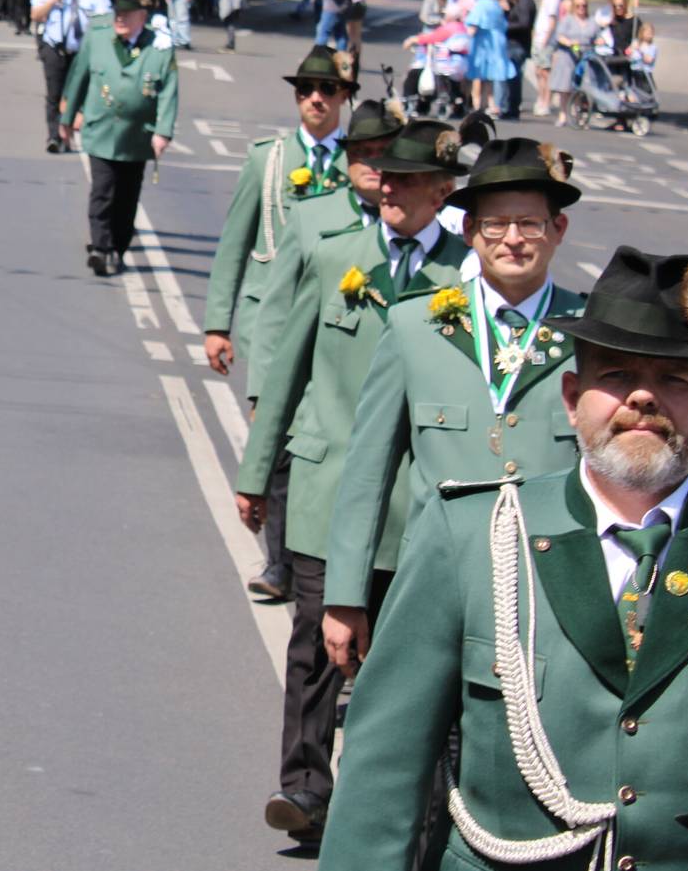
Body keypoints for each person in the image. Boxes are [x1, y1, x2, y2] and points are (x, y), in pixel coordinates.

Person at [319, 246, 688, 871]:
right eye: (617, 375)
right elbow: (385, 765)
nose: (643, 397)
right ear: (572, 397)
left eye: (674, 380)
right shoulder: (472, 534)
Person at [232, 117, 470, 846]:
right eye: (384, 177)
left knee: (405, 661)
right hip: (326, 487)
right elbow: (287, 370)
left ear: (442, 191)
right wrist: (255, 473)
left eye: (407, 181)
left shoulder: (466, 276)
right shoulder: (338, 255)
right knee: (315, 639)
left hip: (416, 507)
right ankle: (305, 788)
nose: (389, 189)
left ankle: (407, 812)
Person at [321, 137, 589, 668]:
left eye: (530, 224)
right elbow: (368, 470)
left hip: (552, 595)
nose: (513, 239)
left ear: (558, 229)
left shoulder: (590, 334)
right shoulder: (415, 326)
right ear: (469, 231)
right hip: (434, 589)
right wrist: (345, 596)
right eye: (495, 224)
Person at [202, 45, 356, 596]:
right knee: (276, 443)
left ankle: (317, 563)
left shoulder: (361, 166)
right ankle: (279, 564)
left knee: (324, 446)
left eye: (327, 90)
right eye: (305, 90)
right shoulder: (267, 160)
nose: (315, 99)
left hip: (336, 327)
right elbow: (235, 242)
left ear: (344, 97)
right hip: (272, 324)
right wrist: (217, 324)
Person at [58, 0, 178, 277]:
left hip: (136, 137)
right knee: (102, 190)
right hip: (101, 130)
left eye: (127, 14)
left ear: (142, 17)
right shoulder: (98, 38)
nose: (120, 19)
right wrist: (67, 118)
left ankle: (118, 247)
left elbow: (169, 91)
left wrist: (163, 132)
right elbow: (79, 76)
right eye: (117, 13)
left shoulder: (159, 46)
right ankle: (100, 248)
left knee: (127, 196)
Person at [31, 0, 110, 154]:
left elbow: (105, 22)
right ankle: (54, 137)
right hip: (54, 47)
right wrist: (52, 1)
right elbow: (35, 14)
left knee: (77, 94)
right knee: (54, 95)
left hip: (81, 53)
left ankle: (70, 131)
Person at [464, 0, 513, 116]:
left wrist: (464, 37)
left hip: (482, 42)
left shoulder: (481, 4)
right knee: (490, 75)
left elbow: (474, 23)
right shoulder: (496, 5)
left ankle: (477, 104)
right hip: (497, 41)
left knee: (478, 74)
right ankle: (491, 104)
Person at [550, 0, 590, 126]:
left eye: (584, 5)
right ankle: (563, 114)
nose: (581, 8)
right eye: (578, 5)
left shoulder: (591, 21)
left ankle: (577, 114)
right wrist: (569, 42)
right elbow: (559, 35)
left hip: (585, 57)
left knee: (581, 87)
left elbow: (598, 35)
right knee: (565, 87)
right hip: (567, 55)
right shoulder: (568, 20)